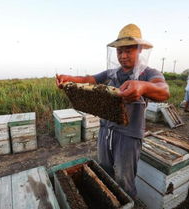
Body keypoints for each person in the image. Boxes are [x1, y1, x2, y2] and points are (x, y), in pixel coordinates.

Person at [56, 24, 170, 199]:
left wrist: (142, 86)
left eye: (128, 51)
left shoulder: (149, 73)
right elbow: (88, 79)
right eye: (119, 52)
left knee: (124, 179)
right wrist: (68, 78)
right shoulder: (111, 73)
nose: (123, 56)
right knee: (104, 171)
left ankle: (127, 201)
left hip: (129, 136)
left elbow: (163, 90)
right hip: (105, 131)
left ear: (139, 50)